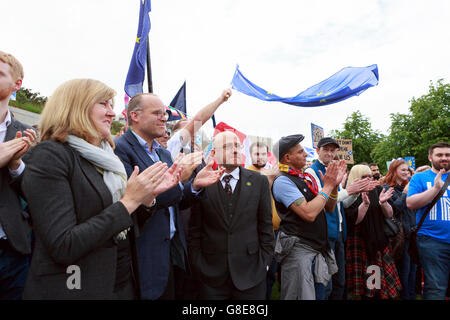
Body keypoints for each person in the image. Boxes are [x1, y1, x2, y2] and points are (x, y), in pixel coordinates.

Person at [21, 78, 185, 299]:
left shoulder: (106, 157)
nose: (111, 112)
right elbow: (63, 244)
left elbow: (126, 226)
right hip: (75, 287)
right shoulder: (50, 156)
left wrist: (147, 197)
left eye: (111, 105)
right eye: (103, 104)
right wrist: (129, 201)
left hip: (121, 282)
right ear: (76, 106)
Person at [114, 92, 223, 300]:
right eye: (157, 113)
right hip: (143, 254)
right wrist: (178, 180)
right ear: (135, 116)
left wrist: (194, 186)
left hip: (172, 251)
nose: (164, 118)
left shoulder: (163, 153)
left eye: (164, 113)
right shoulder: (121, 150)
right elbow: (135, 205)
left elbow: (174, 201)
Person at [188, 131, 274, 300]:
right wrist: (198, 264)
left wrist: (264, 264)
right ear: (213, 153)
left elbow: (266, 226)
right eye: (227, 146)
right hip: (211, 277)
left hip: (251, 275)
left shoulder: (259, 181)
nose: (235, 150)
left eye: (237, 146)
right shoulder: (202, 182)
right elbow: (195, 230)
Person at [271, 134, 347, 300]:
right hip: (299, 252)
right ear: (287, 157)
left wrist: (333, 187)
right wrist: (327, 187)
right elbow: (309, 213)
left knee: (319, 294)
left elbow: (329, 207)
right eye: (300, 151)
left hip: (315, 250)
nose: (306, 154)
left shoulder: (302, 178)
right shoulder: (283, 181)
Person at [306, 137, 377, 300]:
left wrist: (355, 192)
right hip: (323, 233)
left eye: (333, 150)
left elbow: (342, 204)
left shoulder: (333, 170)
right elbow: (320, 200)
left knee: (340, 282)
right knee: (325, 283)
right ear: (318, 151)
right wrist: (348, 191)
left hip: (338, 232)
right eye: (326, 150)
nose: (330, 153)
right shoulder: (312, 171)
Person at [0, 50, 37, 299]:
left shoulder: (27, 134)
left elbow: (34, 193)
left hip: (11, 249)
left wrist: (15, 165)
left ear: (17, 84)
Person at [344, 164, 401, 299]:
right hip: (361, 239)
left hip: (378, 238)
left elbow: (389, 214)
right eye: (364, 177)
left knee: (375, 275)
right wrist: (364, 205)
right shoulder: (350, 193)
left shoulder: (378, 189)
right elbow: (354, 221)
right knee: (367, 274)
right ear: (356, 178)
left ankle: (373, 294)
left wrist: (384, 203)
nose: (369, 179)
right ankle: (368, 294)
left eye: (370, 176)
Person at [406, 142, 450, 300]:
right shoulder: (420, 177)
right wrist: (434, 190)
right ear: (430, 157)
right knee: (436, 287)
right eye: (440, 155)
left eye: (447, 155)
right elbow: (410, 203)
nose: (444, 158)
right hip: (431, 240)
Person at [247, 141, 281, 299]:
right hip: (256, 232)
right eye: (256, 154)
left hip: (275, 232)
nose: (260, 157)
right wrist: (270, 180)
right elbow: (253, 200)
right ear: (250, 155)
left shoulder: (271, 172)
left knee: (271, 273)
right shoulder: (247, 173)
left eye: (262, 154)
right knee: (259, 272)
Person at [382, 159, 417, 300]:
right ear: (394, 171)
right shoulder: (387, 188)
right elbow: (394, 210)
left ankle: (412, 294)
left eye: (407, 170)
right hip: (399, 236)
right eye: (403, 170)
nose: (406, 172)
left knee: (413, 271)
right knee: (404, 270)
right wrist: (405, 194)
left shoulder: (406, 187)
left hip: (412, 234)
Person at [167, 89, 231, 159]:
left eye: (194, 132)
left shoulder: (199, 158)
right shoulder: (173, 146)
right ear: (174, 134)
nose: (191, 133)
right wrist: (221, 99)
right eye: (187, 130)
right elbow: (199, 120)